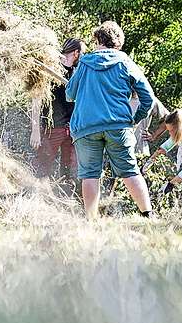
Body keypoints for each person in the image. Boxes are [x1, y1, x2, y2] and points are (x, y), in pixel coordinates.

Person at [65, 21, 156, 219]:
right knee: (130, 170)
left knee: (89, 174)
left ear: (98, 40)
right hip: (118, 126)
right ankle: (148, 216)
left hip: (86, 127)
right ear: (119, 43)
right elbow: (148, 98)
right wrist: (135, 119)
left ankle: (91, 220)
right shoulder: (126, 63)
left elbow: (70, 94)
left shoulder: (85, 63)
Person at [30, 38, 85, 186]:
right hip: (51, 127)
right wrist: (35, 130)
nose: (83, 57)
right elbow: (36, 99)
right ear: (76, 53)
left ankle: (64, 198)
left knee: (70, 169)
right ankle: (35, 196)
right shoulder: (50, 69)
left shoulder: (77, 72)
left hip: (71, 128)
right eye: (82, 53)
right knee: (43, 165)